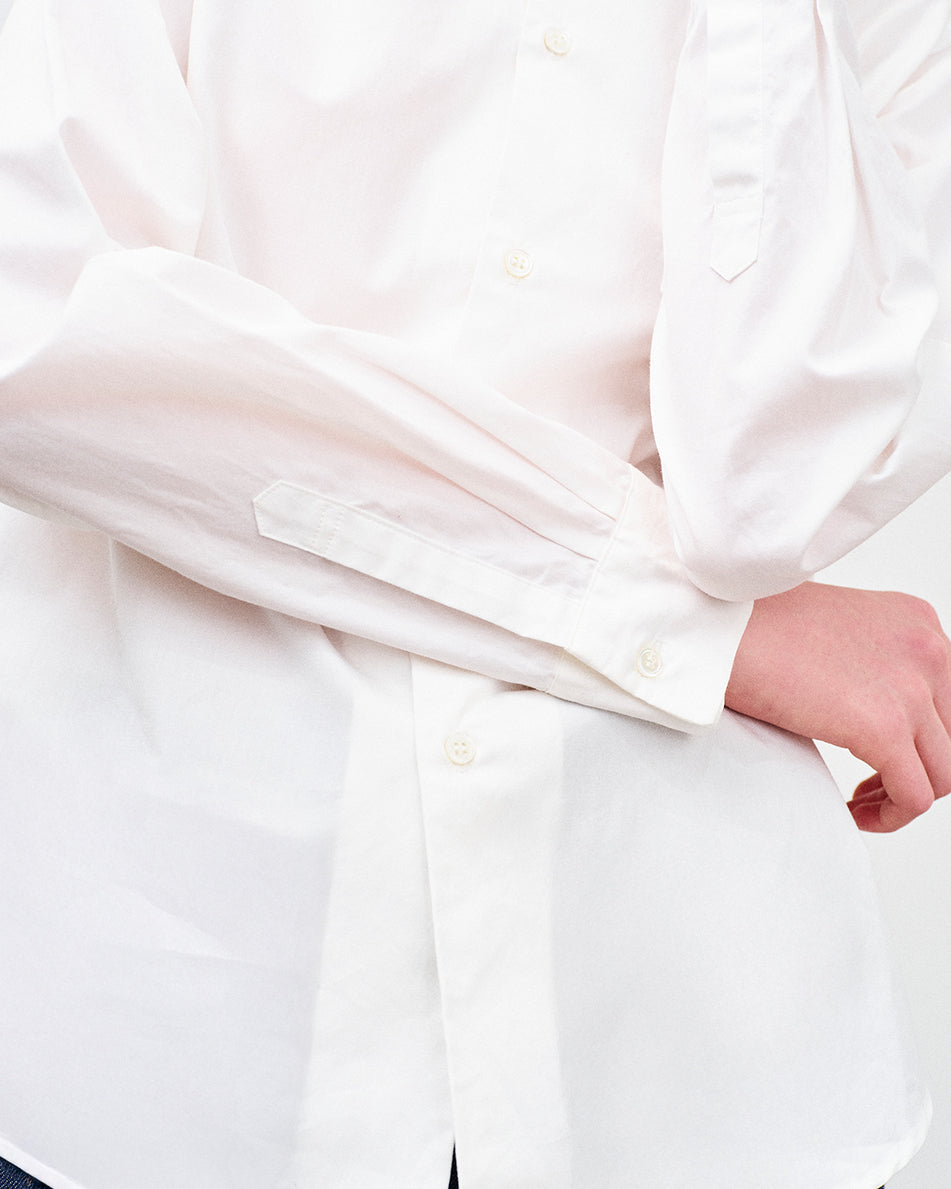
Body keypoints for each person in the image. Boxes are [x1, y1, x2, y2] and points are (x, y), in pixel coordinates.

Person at [0, 0, 949, 1186]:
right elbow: (39, 346)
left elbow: (764, 507)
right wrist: (688, 629)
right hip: (196, 1021)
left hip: (681, 1047)